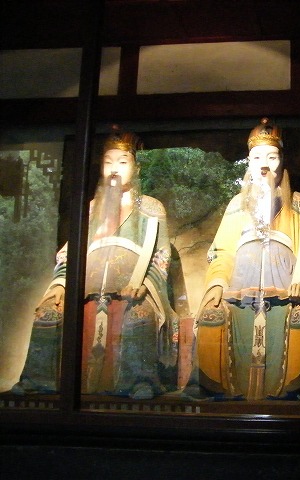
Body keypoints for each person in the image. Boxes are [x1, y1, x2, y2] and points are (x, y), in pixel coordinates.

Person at [11, 127, 179, 400]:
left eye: (122, 162)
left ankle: (139, 382)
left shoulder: (151, 208)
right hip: (86, 286)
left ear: (136, 168)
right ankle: (37, 381)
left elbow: (161, 254)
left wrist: (145, 285)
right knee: (48, 312)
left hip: (132, 285)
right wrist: (60, 284)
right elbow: (69, 252)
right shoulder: (91, 208)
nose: (114, 169)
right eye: (108, 162)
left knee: (141, 314)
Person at [184, 118, 300, 401]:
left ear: (282, 162)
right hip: (240, 289)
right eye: (257, 158)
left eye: (271, 157)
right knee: (212, 313)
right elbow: (222, 252)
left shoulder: (298, 203)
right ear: (248, 163)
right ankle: (209, 384)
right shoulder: (237, 204)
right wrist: (217, 282)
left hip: (286, 289)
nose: (264, 165)